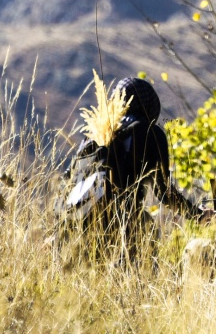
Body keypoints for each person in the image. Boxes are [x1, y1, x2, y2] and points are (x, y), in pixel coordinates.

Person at [63, 75, 207, 260]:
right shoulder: (150, 133)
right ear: (150, 103)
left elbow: (68, 181)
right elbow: (164, 192)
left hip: (80, 224)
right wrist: (198, 215)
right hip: (127, 227)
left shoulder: (95, 134)